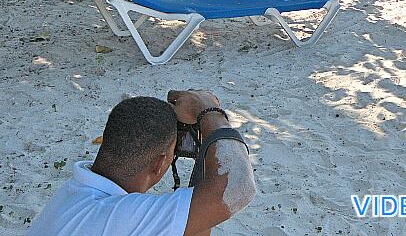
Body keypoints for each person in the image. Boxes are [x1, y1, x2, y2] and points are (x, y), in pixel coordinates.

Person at [27, 91, 255, 236]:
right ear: (159, 163)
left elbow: (197, 221)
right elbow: (237, 189)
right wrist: (210, 111)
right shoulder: (120, 216)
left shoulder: (73, 193)